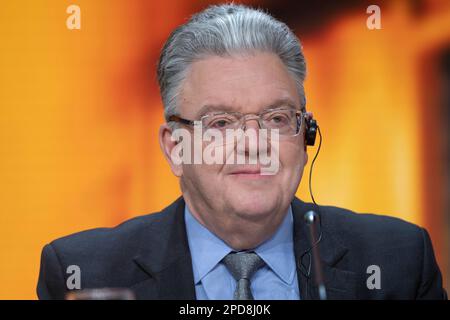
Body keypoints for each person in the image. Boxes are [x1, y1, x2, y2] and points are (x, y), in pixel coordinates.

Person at [37, 3, 447, 300]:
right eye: (221, 123)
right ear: (175, 147)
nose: (253, 144)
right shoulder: (81, 272)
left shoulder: (397, 262)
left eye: (276, 118)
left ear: (306, 135)